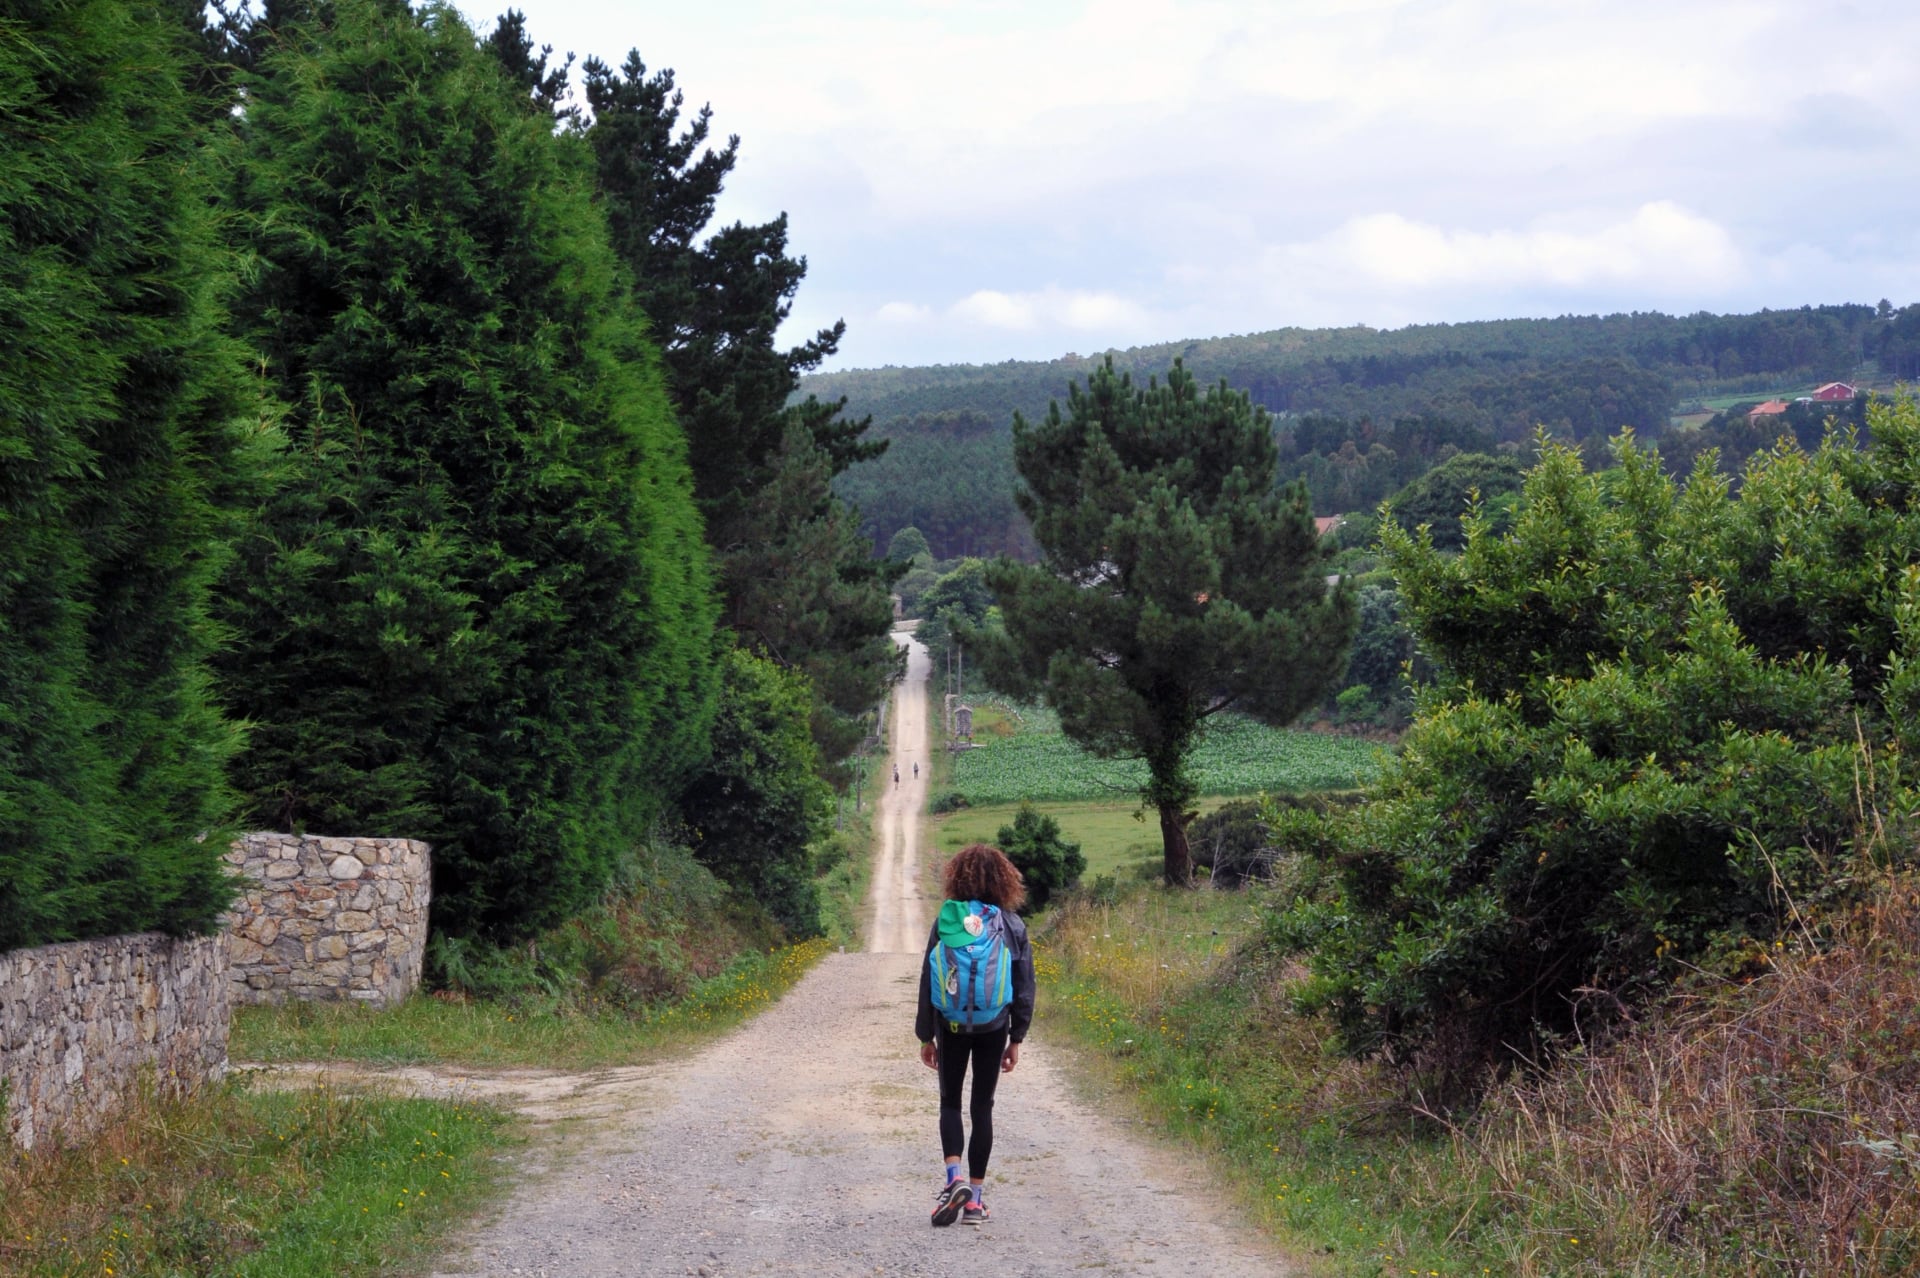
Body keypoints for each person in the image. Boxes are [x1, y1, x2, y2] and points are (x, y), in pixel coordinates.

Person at [917, 843, 1035, 1227]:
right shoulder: (1011, 925)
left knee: (950, 1102)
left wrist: (926, 1035)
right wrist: (1016, 1037)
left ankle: (954, 1179)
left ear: (958, 877)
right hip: (993, 1026)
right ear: (1004, 880)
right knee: (982, 1108)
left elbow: (928, 978)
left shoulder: (947, 920)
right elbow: (1024, 986)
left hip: (950, 1025)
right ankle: (975, 1203)